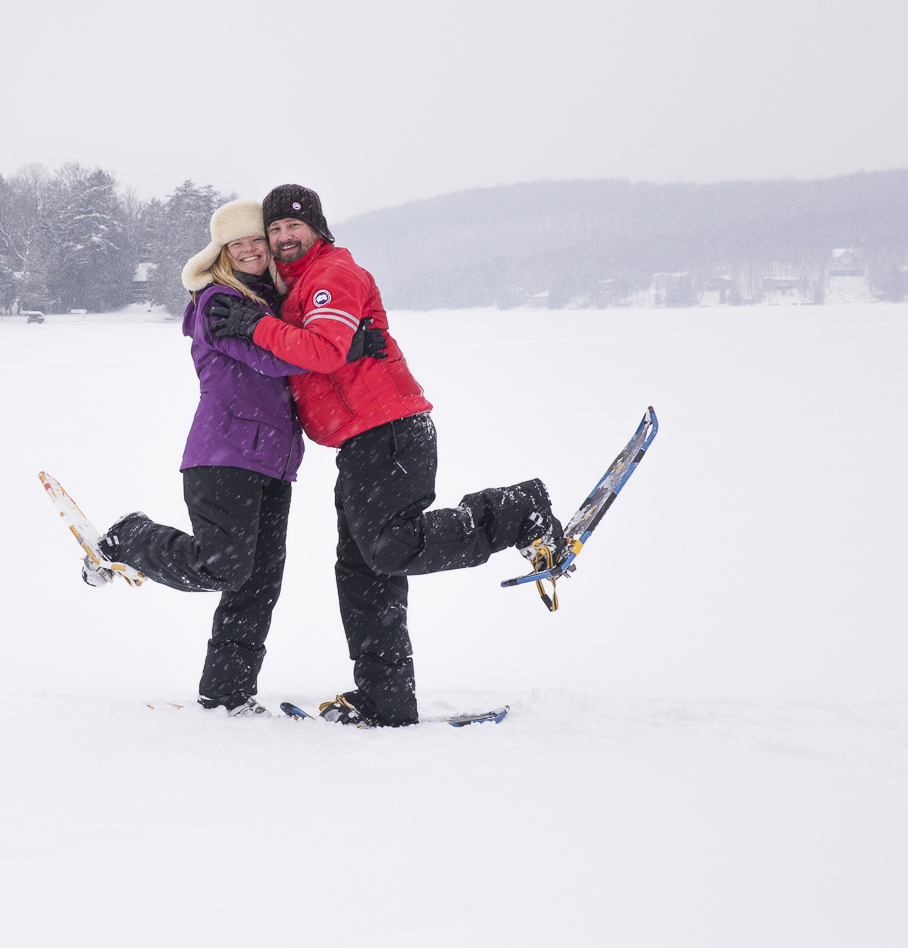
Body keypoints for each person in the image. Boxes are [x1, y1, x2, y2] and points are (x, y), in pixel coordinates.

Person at [206, 183, 567, 728]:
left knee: (389, 548)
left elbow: (325, 349)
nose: (283, 236)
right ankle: (386, 699)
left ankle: (518, 511)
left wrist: (258, 325)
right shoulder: (299, 286)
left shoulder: (331, 275)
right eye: (274, 228)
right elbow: (322, 346)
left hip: (389, 429)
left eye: (293, 226)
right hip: (360, 441)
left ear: (317, 228)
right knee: (361, 572)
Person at [91, 198, 382, 717]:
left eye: (256, 241)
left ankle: (226, 694)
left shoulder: (272, 305)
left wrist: (332, 342)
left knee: (257, 586)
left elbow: (296, 349)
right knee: (222, 568)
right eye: (236, 243)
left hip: (274, 462)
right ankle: (130, 537)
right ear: (220, 252)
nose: (248, 249)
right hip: (222, 455)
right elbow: (273, 359)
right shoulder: (220, 302)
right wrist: (343, 344)